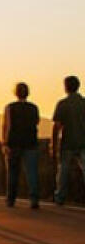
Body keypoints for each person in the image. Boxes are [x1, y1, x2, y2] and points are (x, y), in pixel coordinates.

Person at [2, 82, 41, 209]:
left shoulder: (10, 107)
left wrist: (5, 142)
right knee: (32, 173)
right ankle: (34, 199)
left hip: (14, 144)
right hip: (31, 142)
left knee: (13, 173)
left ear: (16, 93)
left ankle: (11, 199)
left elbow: (7, 126)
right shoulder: (34, 107)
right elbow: (36, 122)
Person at [52, 75, 85, 206]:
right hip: (83, 142)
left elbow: (57, 126)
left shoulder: (63, 104)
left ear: (66, 87)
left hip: (67, 143)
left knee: (63, 172)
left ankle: (60, 197)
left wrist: (53, 145)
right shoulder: (83, 103)